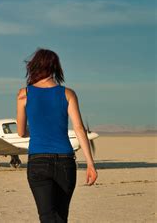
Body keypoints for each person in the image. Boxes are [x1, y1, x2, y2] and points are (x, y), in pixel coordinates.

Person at [16, 48, 97, 223]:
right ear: (55, 68)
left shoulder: (24, 94)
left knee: (46, 216)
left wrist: (36, 130)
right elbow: (79, 128)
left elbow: (21, 132)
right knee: (61, 217)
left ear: (35, 66)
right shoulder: (68, 94)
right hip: (65, 162)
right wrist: (90, 164)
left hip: (38, 161)